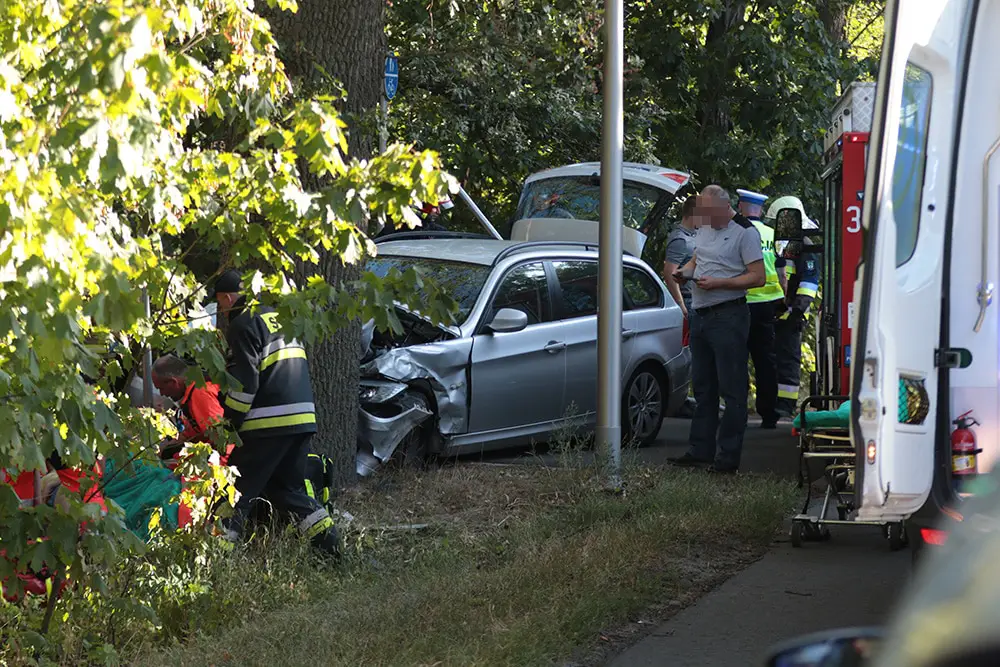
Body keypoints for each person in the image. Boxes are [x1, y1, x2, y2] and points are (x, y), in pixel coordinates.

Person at [209, 270, 339, 557]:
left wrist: (229, 425)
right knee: (288, 491)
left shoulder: (243, 324)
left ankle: (215, 558)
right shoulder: (278, 317)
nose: (222, 311)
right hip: (302, 420)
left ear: (227, 298)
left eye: (219, 304)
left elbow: (244, 385)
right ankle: (331, 548)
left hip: (267, 425)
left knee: (236, 492)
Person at [668, 185, 766, 474]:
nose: (705, 219)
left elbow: (758, 277)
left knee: (731, 389)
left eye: (709, 213)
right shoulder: (706, 227)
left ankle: (727, 458)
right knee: (703, 386)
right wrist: (684, 273)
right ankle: (700, 450)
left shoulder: (745, 232)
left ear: (724, 207)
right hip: (701, 314)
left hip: (728, 316)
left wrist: (720, 283)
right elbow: (697, 259)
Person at [766, 196, 821, 417]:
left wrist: (796, 312)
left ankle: (785, 406)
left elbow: (809, 283)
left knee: (788, 360)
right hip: (779, 311)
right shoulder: (786, 246)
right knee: (776, 359)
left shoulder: (805, 247)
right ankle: (776, 404)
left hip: (792, 314)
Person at [737, 188, 785, 429]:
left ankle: (738, 412)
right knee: (766, 360)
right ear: (761, 210)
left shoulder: (736, 233)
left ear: (741, 208)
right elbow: (782, 273)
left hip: (741, 304)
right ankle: (769, 414)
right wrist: (783, 300)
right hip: (768, 306)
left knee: (738, 359)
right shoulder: (773, 234)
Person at [150, 354, 235, 464]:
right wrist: (176, 442)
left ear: (173, 382)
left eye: (161, 388)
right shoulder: (192, 392)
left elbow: (221, 438)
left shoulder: (200, 393)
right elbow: (196, 430)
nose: (162, 393)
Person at [663, 196, 698, 343]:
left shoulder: (694, 235)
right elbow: (669, 273)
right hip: (687, 300)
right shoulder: (680, 239)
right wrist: (681, 304)